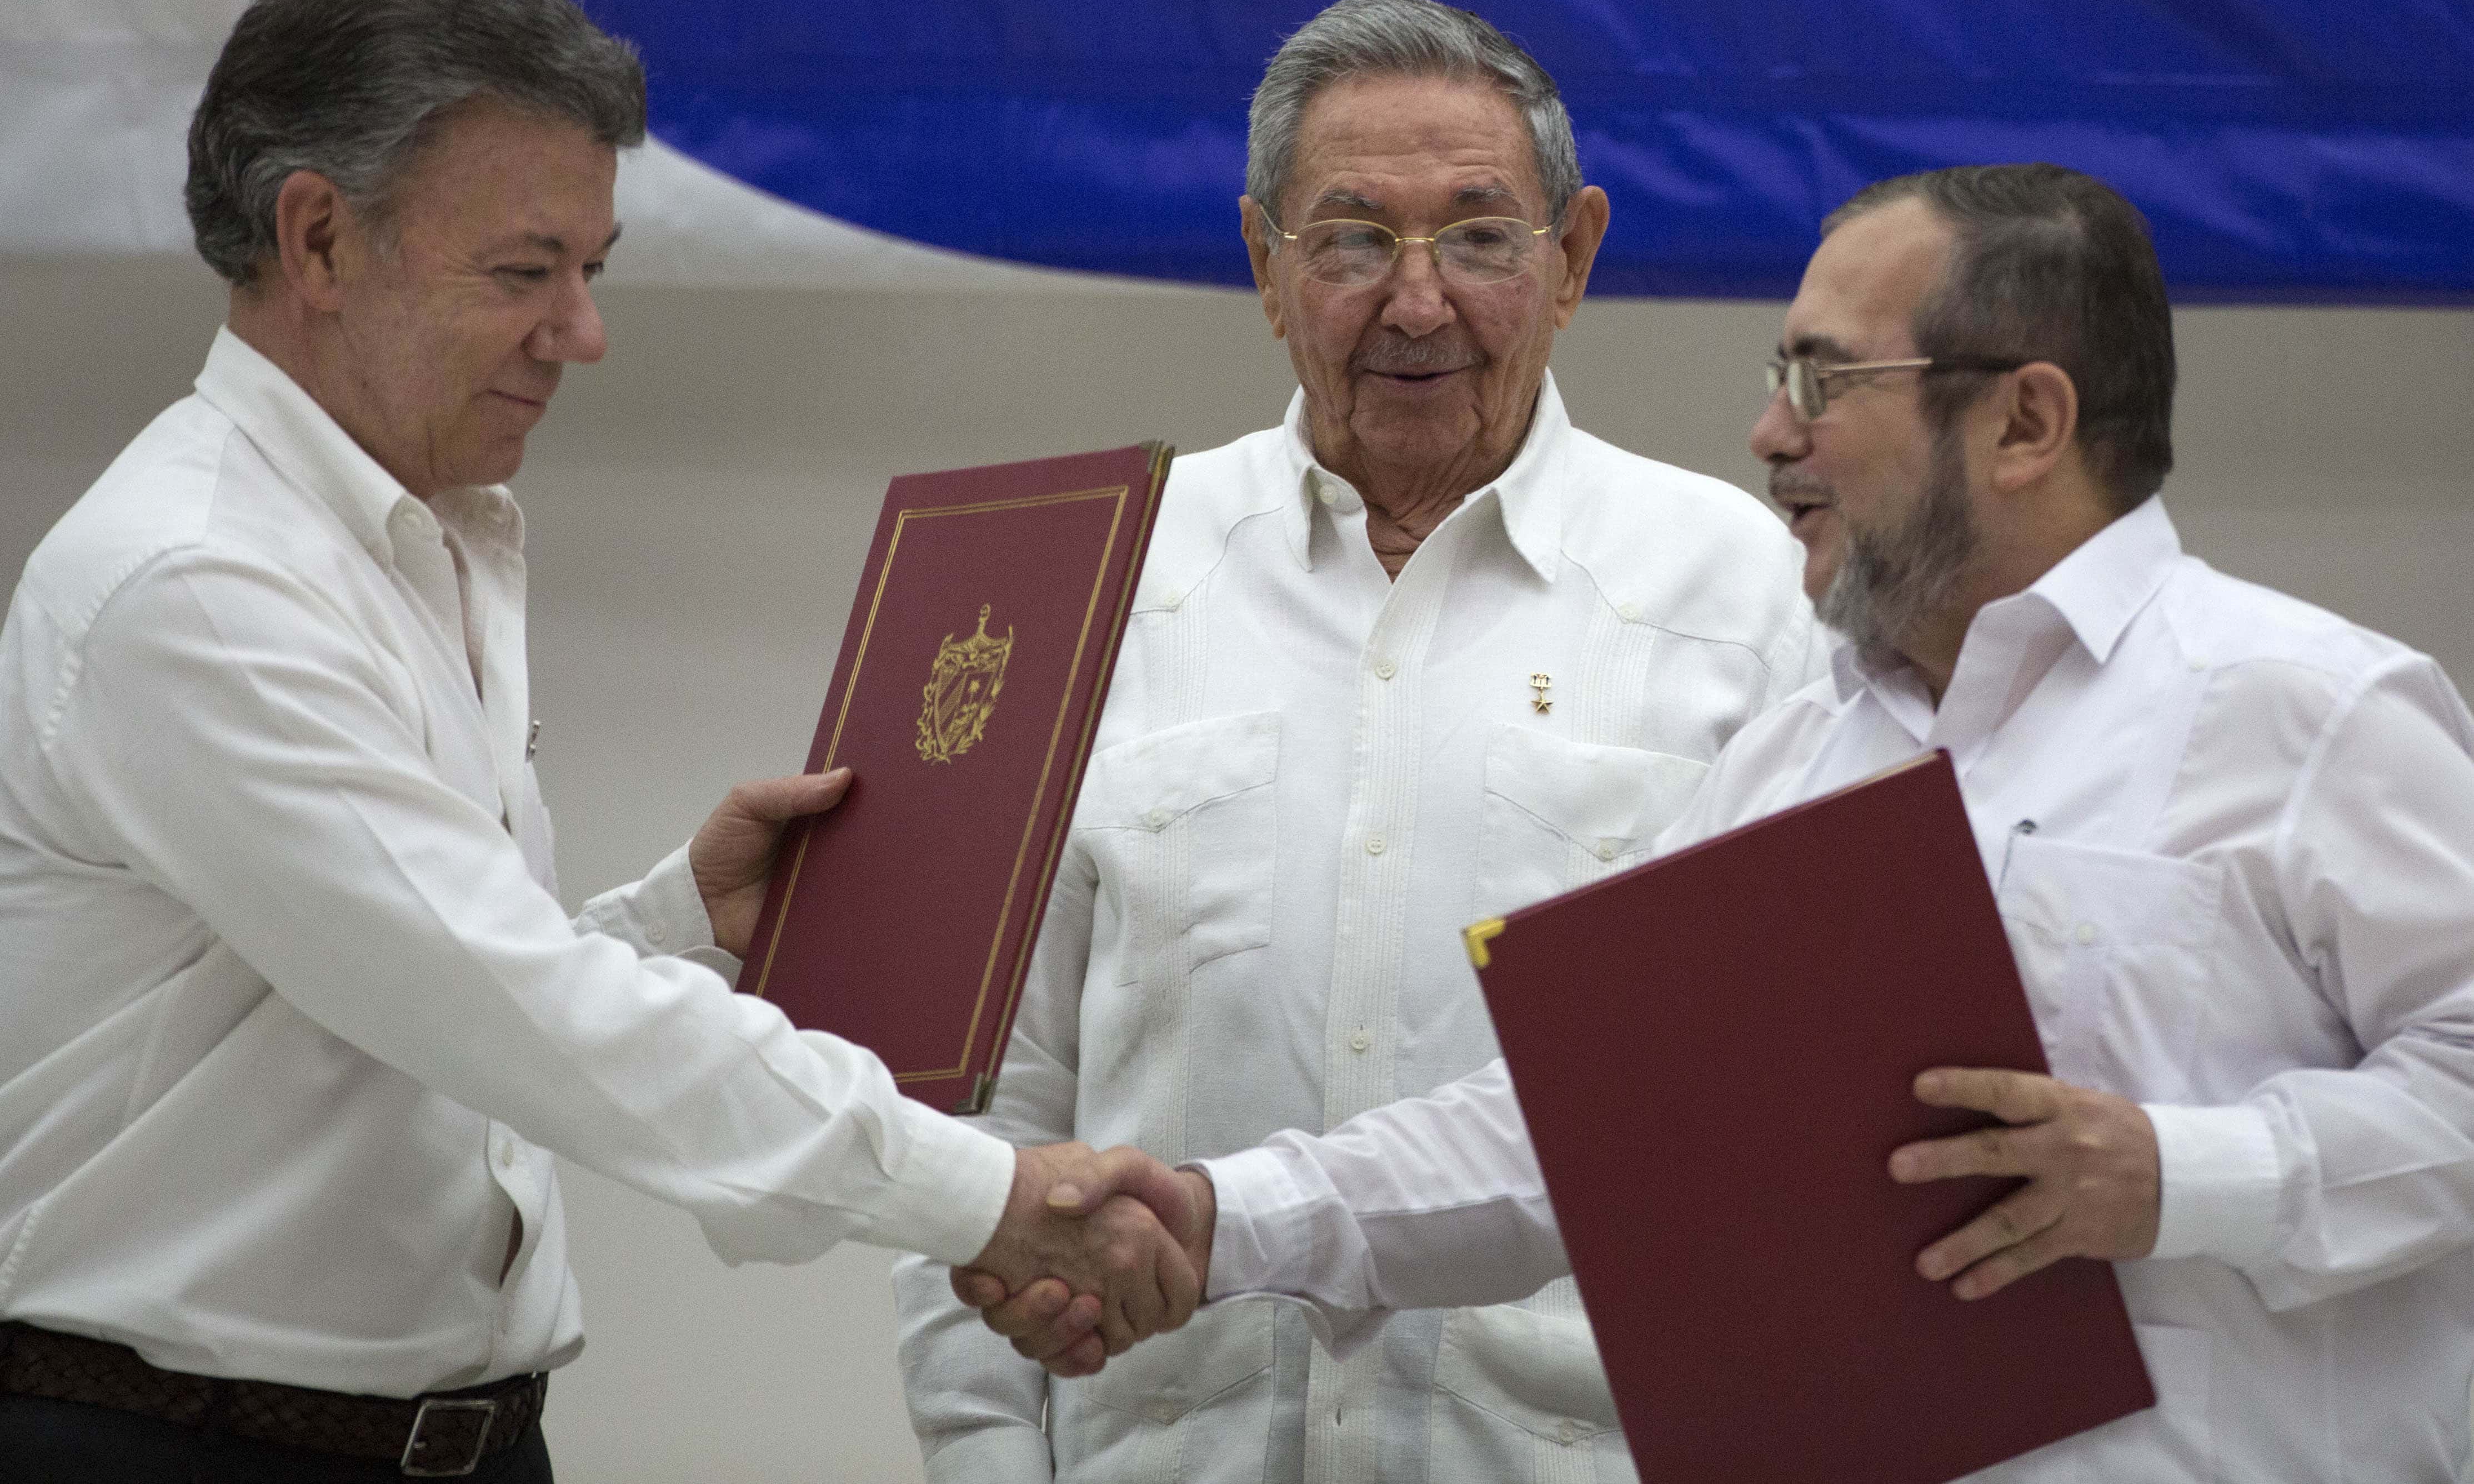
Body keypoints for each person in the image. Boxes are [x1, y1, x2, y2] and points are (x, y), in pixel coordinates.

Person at [978, 163, 2474, 1481]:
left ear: (2026, 420)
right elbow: (1582, 1132)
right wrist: (1211, 1214)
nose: (1768, 432)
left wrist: (2177, 1174)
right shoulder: (1799, 757)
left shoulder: (2315, 711)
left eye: (1827, 383)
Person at [0, 0, 1194, 1482]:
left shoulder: (430, 536)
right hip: (168, 1446)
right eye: (525, 272)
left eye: (592, 269)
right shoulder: (198, 583)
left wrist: (680, 921)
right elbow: (515, 1010)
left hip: (458, 1445)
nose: (585, 331)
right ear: (316, 241)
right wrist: (990, 1199)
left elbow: (414, 1017)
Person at [892, 0, 1816, 1484]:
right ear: (1265, 265)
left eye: (1478, 235)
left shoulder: (1750, 598)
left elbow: (1790, 1113)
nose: (1419, 299)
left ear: (1573, 256)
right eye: (1353, 238)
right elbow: (974, 1118)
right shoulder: (1085, 577)